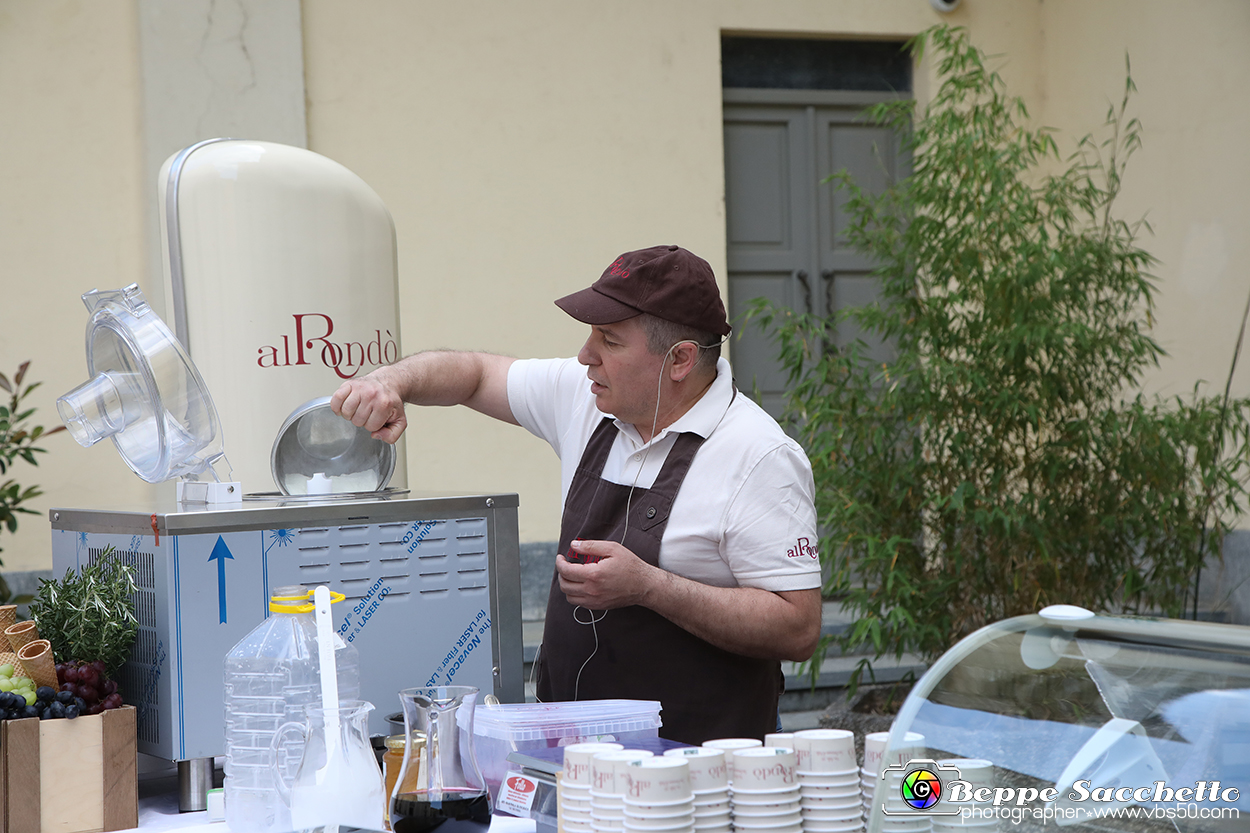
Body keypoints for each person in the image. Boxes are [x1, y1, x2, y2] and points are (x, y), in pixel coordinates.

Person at [331, 245, 821, 743]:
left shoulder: (758, 456)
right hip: (570, 755)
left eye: (609, 340)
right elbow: (474, 373)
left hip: (698, 771)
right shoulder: (585, 398)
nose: (586, 356)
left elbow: (797, 627)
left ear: (680, 360)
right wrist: (389, 381)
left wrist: (650, 587)